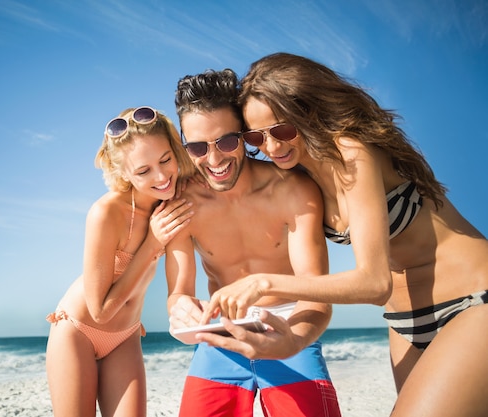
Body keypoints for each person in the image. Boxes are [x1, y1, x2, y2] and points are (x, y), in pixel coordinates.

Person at [201, 52, 488, 417]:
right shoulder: (298, 178)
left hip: (473, 299)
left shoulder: (352, 152)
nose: (271, 148)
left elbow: (373, 282)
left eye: (283, 130)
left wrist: (265, 284)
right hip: (403, 322)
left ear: (309, 112)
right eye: (257, 137)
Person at [166, 69, 341, 417]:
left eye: (227, 142)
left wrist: (293, 339)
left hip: (289, 326)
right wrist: (180, 308)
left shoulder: (293, 190)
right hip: (220, 334)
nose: (214, 159)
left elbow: (316, 294)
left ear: (245, 136)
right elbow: (178, 292)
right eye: (198, 147)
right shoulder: (181, 201)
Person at [45, 106, 197, 417]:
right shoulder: (106, 213)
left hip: (126, 335)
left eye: (165, 160)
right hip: (78, 331)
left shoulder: (172, 206)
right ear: (122, 173)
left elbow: (179, 288)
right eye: (143, 171)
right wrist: (152, 244)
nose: (161, 176)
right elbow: (99, 311)